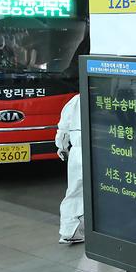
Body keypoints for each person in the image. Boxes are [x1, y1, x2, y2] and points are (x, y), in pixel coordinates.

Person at [56, 93, 84, 244]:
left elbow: (63, 127)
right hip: (95, 150)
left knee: (74, 190)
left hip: (76, 152)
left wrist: (61, 147)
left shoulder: (76, 100)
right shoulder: (105, 98)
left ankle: (68, 231)